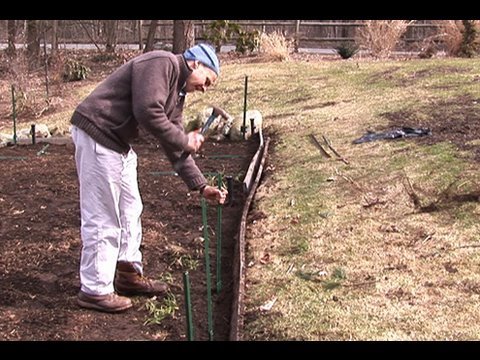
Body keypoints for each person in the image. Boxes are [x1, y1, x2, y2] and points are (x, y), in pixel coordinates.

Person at [70, 43, 227, 313]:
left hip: (118, 143)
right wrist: (184, 138)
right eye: (207, 81)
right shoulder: (162, 63)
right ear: (195, 64)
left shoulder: (176, 93)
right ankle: (95, 289)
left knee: (131, 209)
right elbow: (148, 111)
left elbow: (173, 143)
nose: (204, 88)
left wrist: (201, 186)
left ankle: (127, 273)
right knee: (103, 215)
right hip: (98, 132)